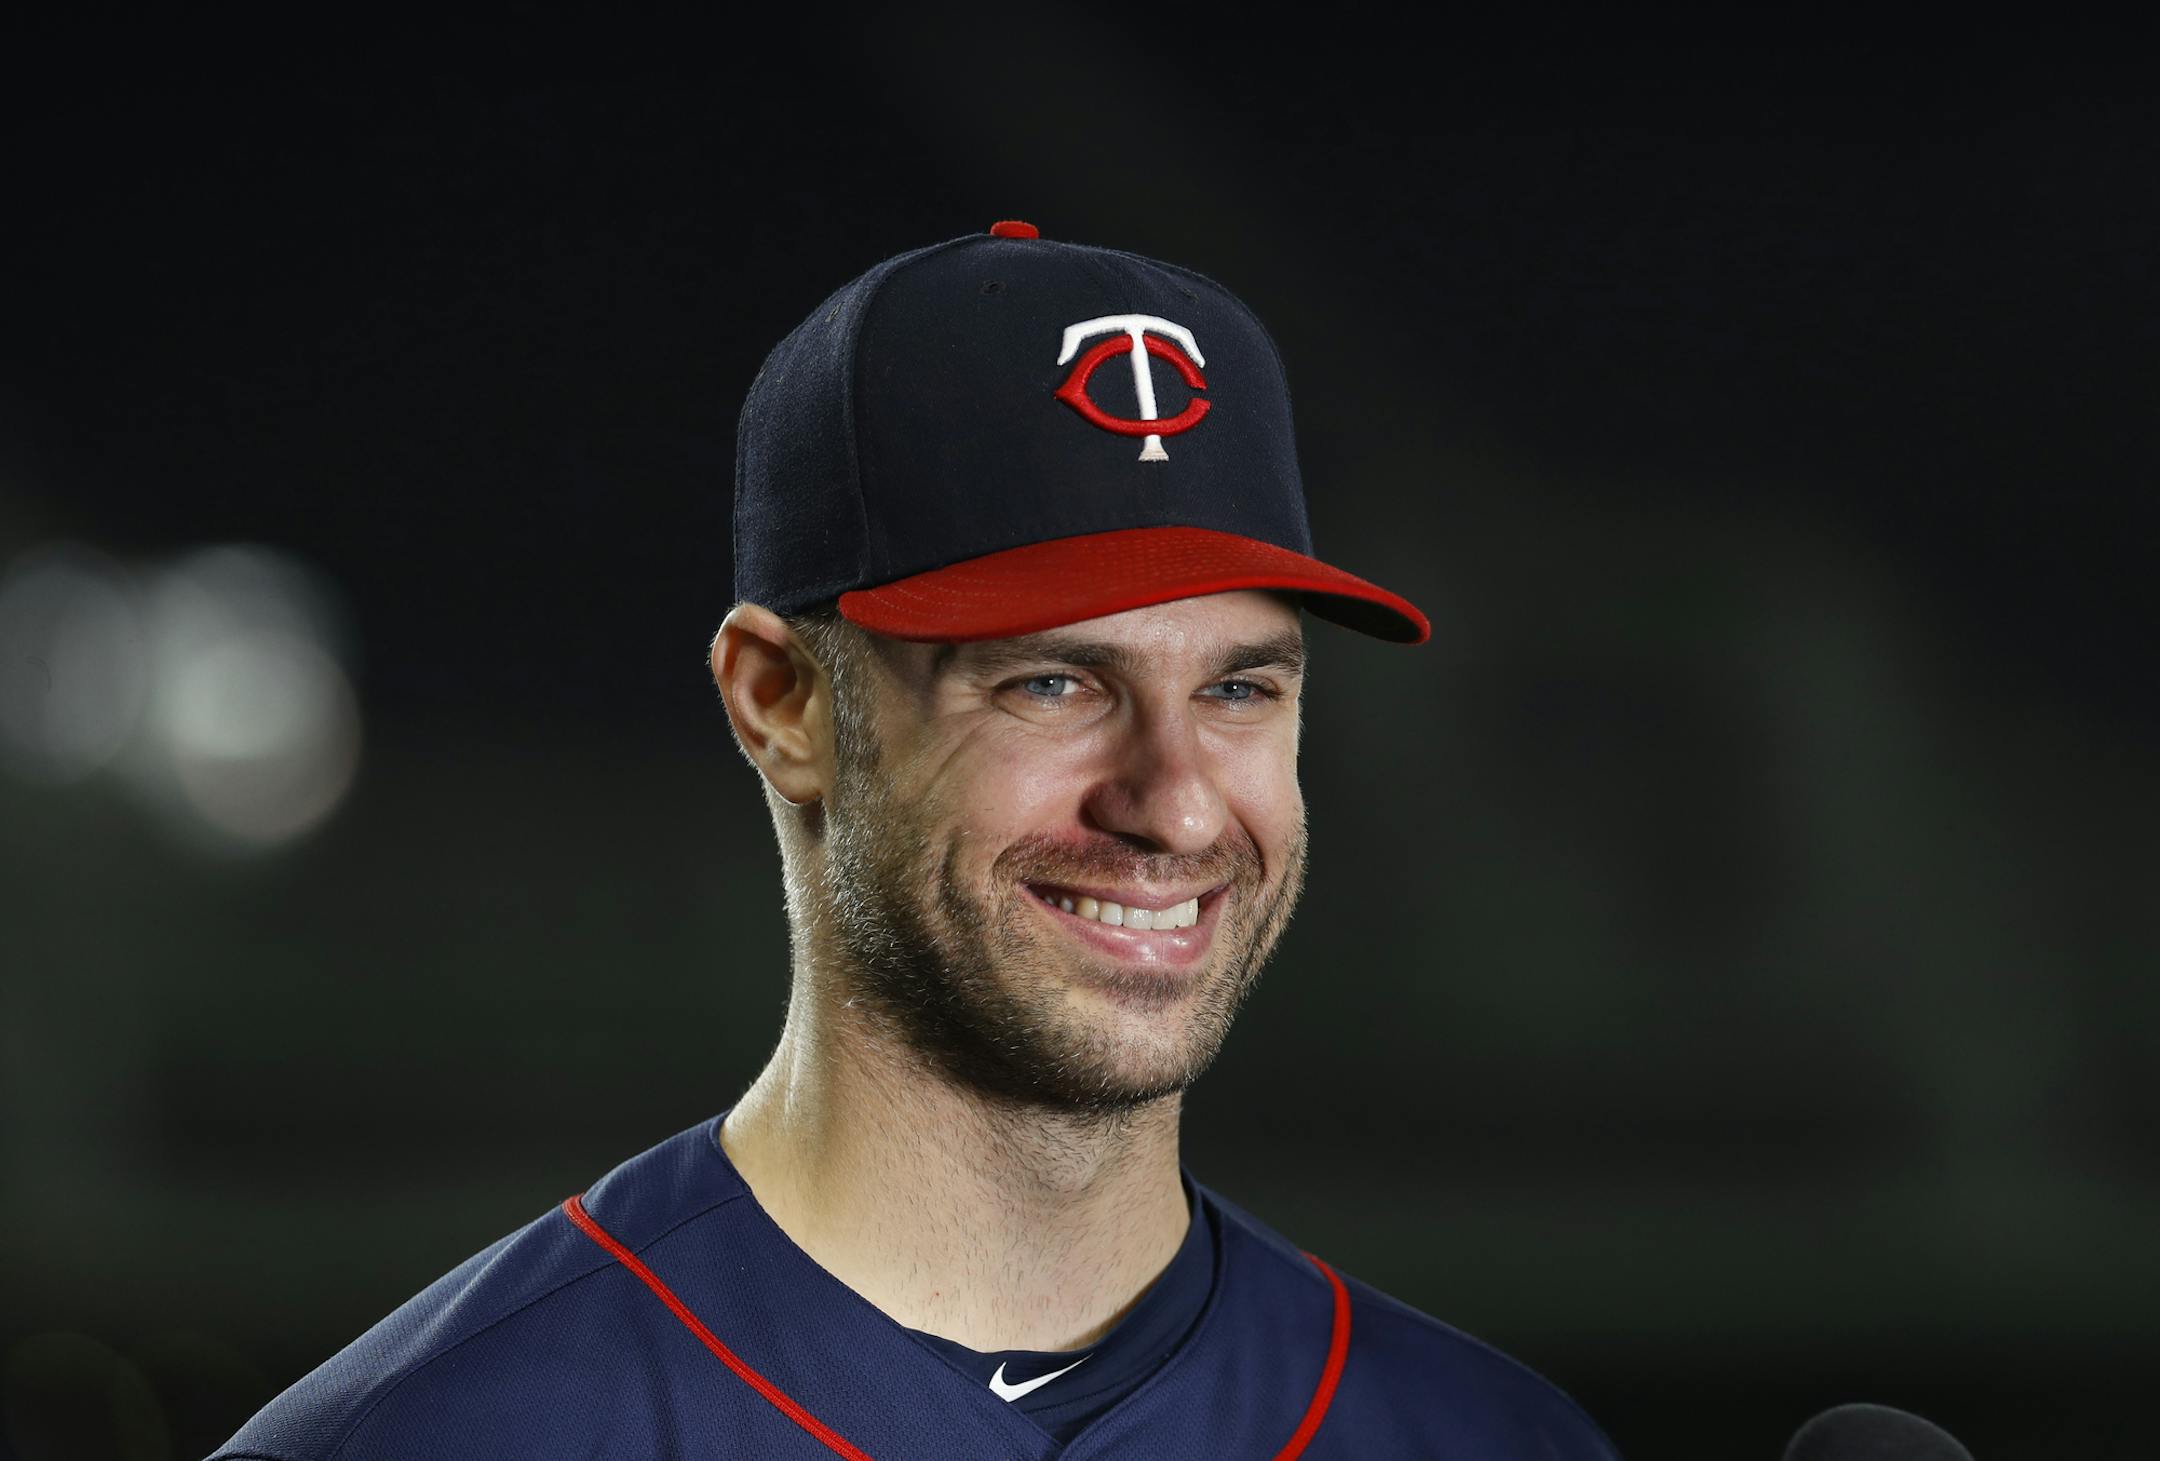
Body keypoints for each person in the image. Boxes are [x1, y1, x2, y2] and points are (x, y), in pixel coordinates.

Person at [214, 221, 1619, 1459]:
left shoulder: (1489, 1435)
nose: (1179, 802)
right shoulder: (446, 1436)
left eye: (1239, 686)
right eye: (1052, 682)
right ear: (781, 705)